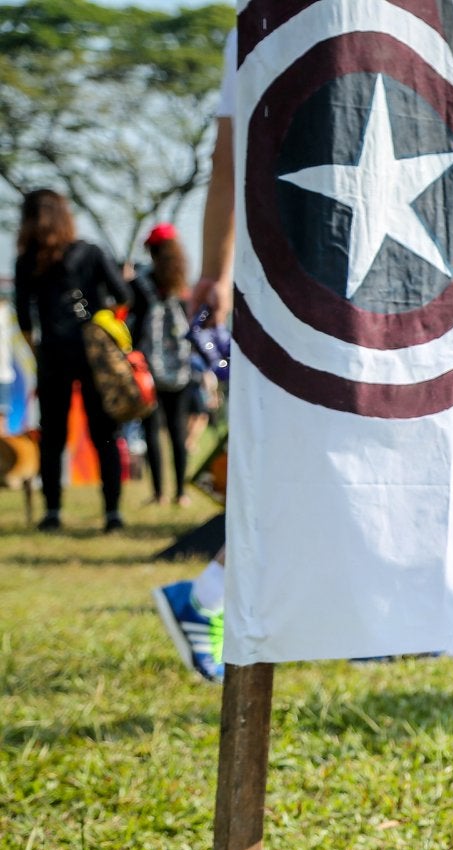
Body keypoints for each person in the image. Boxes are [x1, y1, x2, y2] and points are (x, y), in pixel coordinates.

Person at [153, 29, 236, 683]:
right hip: (301, 285)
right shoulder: (269, 19)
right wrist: (219, 269)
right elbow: (230, 152)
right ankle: (205, 594)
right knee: (314, 456)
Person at [12, 189, 132, 531]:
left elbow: (24, 317)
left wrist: (37, 348)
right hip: (95, 359)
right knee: (105, 434)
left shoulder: (27, 261)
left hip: (52, 355)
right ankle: (113, 513)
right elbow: (123, 295)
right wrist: (102, 322)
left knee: (53, 437)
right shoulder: (90, 252)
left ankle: (52, 512)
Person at [131, 223, 197, 508]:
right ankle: (180, 493)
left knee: (151, 430)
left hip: (146, 369)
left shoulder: (139, 284)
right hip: (181, 367)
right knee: (177, 431)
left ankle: (159, 494)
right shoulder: (182, 287)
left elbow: (130, 324)